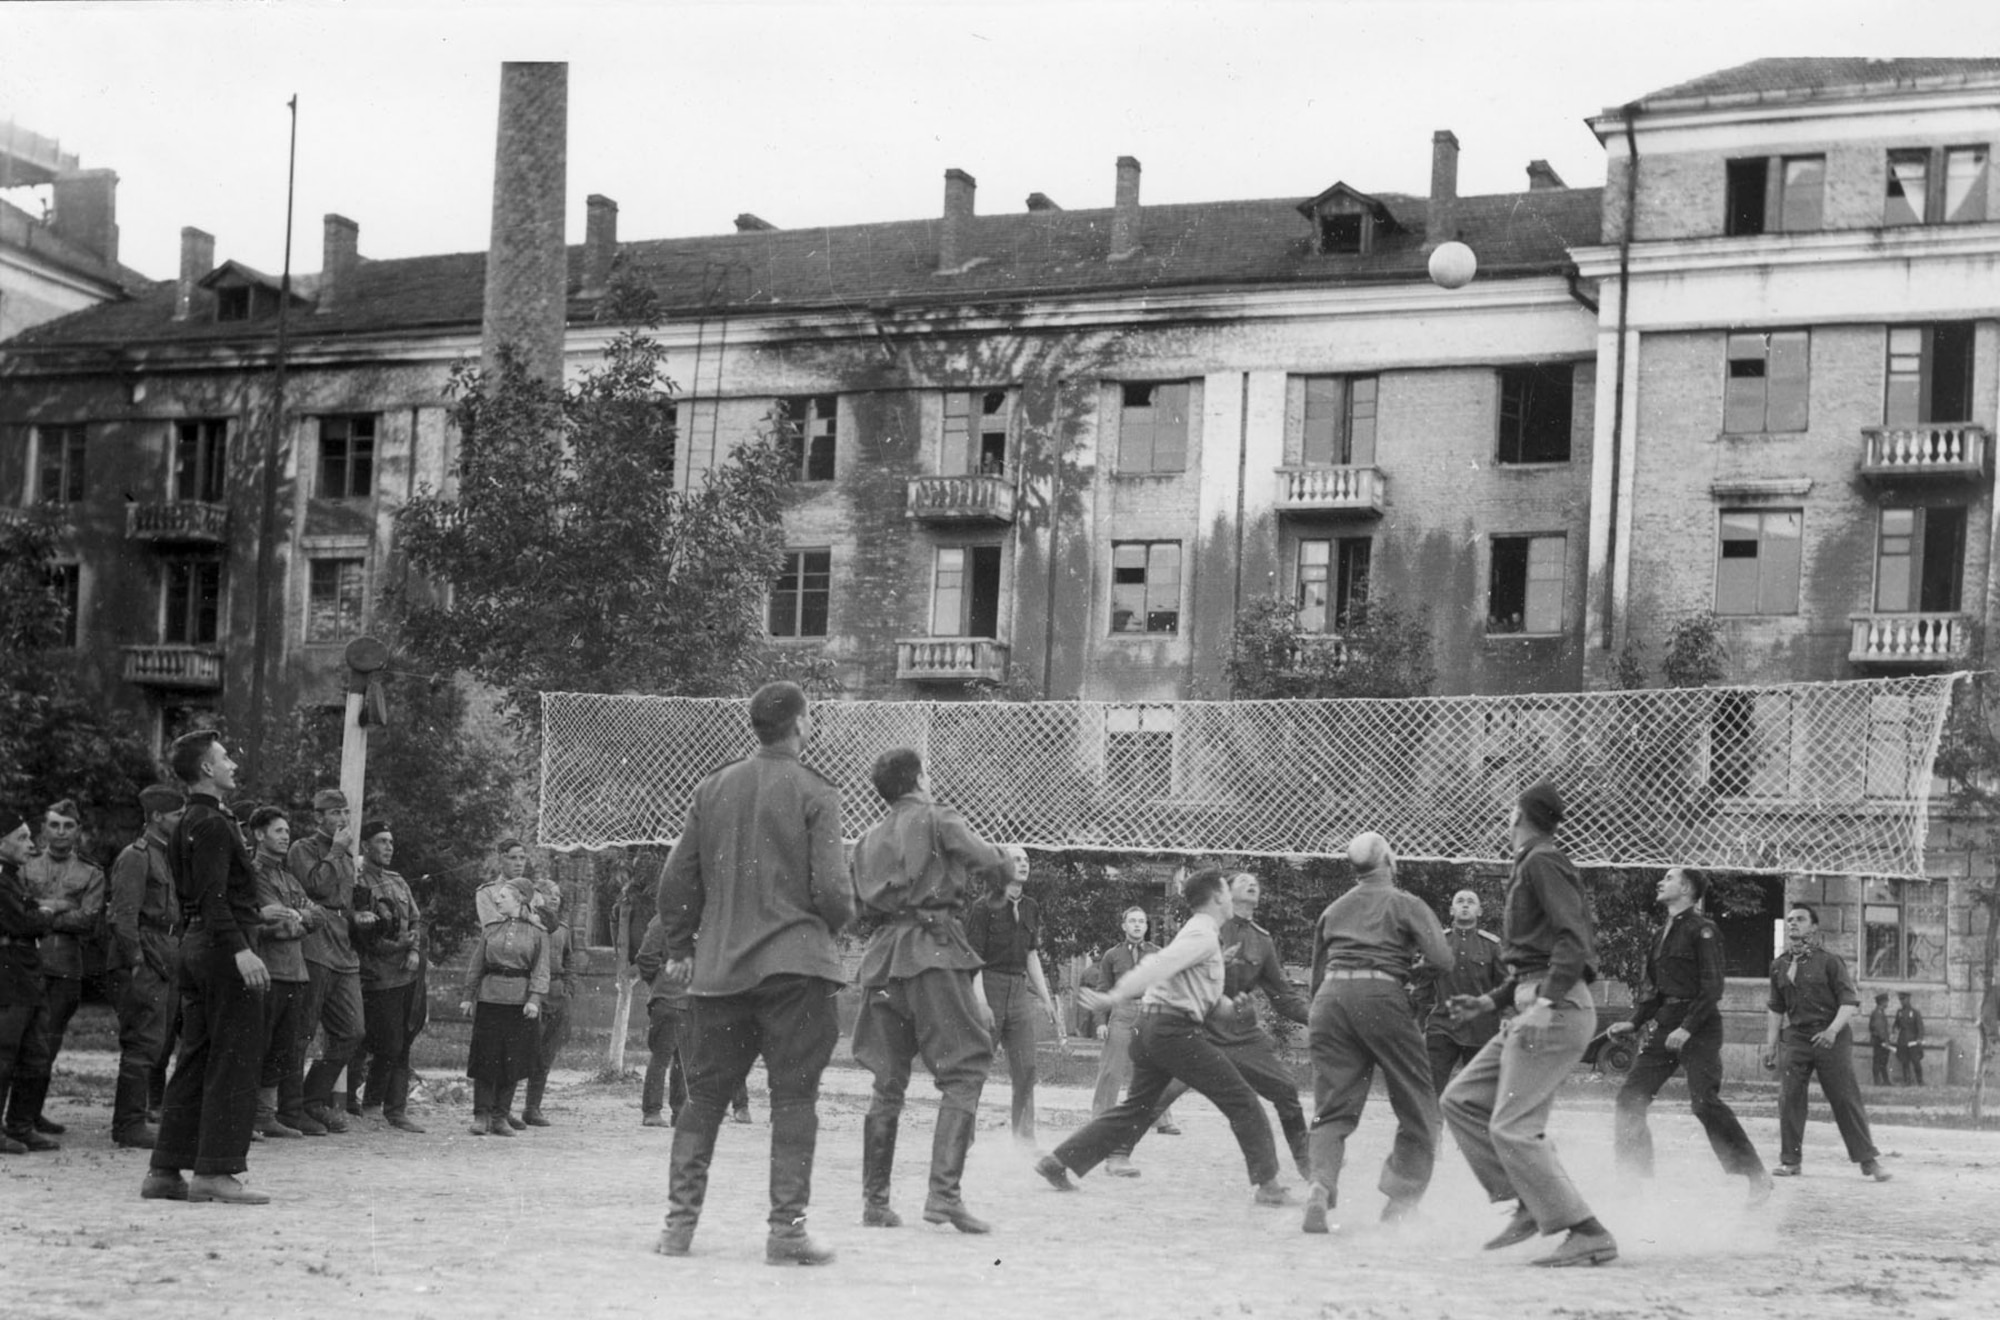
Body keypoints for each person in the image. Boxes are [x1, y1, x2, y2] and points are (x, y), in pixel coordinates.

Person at [654, 682, 855, 1266]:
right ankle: (786, 1234)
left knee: (703, 1101)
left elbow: (675, 881)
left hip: (719, 974)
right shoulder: (817, 791)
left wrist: (681, 944)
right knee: (795, 1100)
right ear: (799, 724)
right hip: (797, 972)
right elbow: (832, 891)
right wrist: (840, 922)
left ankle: (677, 1229)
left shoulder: (711, 787)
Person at [1034, 866, 1292, 1206]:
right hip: (1172, 1031)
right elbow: (1157, 966)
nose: (1231, 897)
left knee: (1134, 1109)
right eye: (1227, 893)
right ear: (1217, 897)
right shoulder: (1201, 934)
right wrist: (1114, 996)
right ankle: (1269, 1185)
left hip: (1155, 1028)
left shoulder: (1204, 934)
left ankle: (1058, 1161)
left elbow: (1206, 1001)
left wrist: (1234, 1007)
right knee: (1243, 1100)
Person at [1440, 782, 1618, 1268]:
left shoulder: (1542, 860)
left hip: (1554, 1009)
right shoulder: (1532, 862)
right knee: (1460, 1100)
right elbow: (1529, 963)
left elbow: (1573, 940)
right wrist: (1487, 1000)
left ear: (1517, 815)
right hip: (1534, 1001)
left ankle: (1587, 1231)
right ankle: (1527, 1202)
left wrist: (1544, 1003)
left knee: (1513, 1126)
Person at [850, 746, 1008, 1234]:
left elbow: (857, 908)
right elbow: (987, 859)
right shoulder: (939, 816)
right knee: (964, 1070)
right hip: (934, 953)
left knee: (886, 1083)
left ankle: (875, 1203)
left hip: (882, 961)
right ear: (919, 778)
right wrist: (999, 876)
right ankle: (943, 1196)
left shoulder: (865, 839)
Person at [143, 731, 273, 1205]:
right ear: (205, 770)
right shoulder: (215, 824)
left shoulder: (189, 821)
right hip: (223, 948)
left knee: (195, 1059)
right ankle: (215, 1172)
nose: (233, 764)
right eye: (225, 758)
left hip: (197, 945)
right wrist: (242, 950)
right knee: (233, 1059)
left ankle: (164, 1170)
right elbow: (215, 897)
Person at [1300, 833, 1454, 1233]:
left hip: (1330, 1001)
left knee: (1331, 1110)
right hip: (1381, 995)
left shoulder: (1333, 910)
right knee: (1420, 1103)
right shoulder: (1405, 903)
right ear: (1389, 859)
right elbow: (1443, 958)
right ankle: (1401, 1201)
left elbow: (1317, 980)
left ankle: (1319, 1186)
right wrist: (1411, 974)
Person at [1130, 870, 1313, 1181]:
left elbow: (1283, 997)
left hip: (1241, 1034)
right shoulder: (1206, 928)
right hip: (1198, 1029)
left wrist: (1318, 1018)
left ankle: (1308, 1165)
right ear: (1225, 892)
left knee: (1285, 1090)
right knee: (1159, 1095)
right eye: (1242, 880)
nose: (1252, 882)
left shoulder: (1262, 941)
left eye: (1256, 880)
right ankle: (1118, 1150)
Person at [1607, 867, 1770, 1204]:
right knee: (1629, 1099)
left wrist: (1688, 1027)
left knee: (1704, 1103)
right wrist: (1634, 1022)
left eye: (1668, 878)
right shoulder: (1660, 933)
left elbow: (1712, 987)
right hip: (1668, 1024)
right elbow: (1653, 990)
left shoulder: (1704, 930)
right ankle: (1633, 1180)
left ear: (1686, 888)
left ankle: (1755, 1175)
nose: (1660, 882)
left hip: (1699, 1025)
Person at [1764, 902, 1890, 1182]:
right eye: (1790, 920)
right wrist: (1771, 1045)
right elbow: (1775, 1007)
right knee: (1789, 1098)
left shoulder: (1830, 961)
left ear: (1814, 927)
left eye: (1800, 919)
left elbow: (1849, 1002)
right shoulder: (1779, 965)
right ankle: (1790, 1161)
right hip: (1796, 1037)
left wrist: (1832, 1031)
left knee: (1844, 1097)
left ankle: (1868, 1161)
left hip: (1831, 1036)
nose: (1793, 924)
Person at [286, 788, 375, 1135]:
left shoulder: (347, 855)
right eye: (334, 813)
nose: (342, 819)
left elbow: (345, 900)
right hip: (314, 944)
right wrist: (336, 852)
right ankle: (292, 1110)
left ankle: (311, 1098)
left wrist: (361, 916)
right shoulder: (302, 849)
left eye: (345, 812)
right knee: (302, 1032)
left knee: (353, 1031)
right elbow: (314, 888)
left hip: (343, 945)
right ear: (318, 818)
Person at [965, 843, 1064, 1144]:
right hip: (988, 986)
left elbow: (1032, 955)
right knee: (976, 1066)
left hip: (1019, 991)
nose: (1023, 864)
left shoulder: (1032, 907)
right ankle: (961, 1137)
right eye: (1016, 859)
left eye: (1026, 860)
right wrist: (980, 1003)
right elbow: (973, 961)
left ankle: (1024, 1140)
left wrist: (1046, 1000)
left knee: (1026, 1067)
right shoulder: (983, 907)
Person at [106, 785, 185, 1150]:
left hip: (166, 954)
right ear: (156, 817)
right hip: (145, 956)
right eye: (176, 815)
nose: (181, 821)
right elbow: (124, 917)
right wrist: (137, 963)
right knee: (141, 1043)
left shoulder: (167, 855)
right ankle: (129, 1124)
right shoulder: (136, 857)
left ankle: (136, 1119)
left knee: (156, 1042)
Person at [22, 797, 105, 1140]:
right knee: (15, 1040)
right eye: (54, 825)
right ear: (43, 829)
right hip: (26, 966)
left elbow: (88, 919)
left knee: (48, 1043)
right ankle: (19, 1116)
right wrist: (61, 907)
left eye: (68, 826)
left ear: (78, 831)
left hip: (66, 968)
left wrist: (42, 910)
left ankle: (31, 1113)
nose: (60, 832)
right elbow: (16, 912)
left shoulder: (91, 872)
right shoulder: (24, 868)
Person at [245, 807, 319, 1142]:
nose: (286, 836)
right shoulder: (254, 874)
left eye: (287, 830)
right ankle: (246, 1118)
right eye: (278, 831)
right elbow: (270, 924)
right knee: (256, 1045)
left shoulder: (288, 878)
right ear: (259, 835)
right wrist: (296, 922)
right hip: (267, 971)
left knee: (282, 1048)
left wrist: (296, 920)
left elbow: (317, 917)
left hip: (295, 972)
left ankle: (266, 1115)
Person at [459, 878, 548, 1136]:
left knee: (512, 1060)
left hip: (519, 1003)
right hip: (489, 999)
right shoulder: (491, 928)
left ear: (520, 899)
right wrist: (468, 995)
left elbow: (542, 969)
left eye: (503, 896)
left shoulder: (537, 932)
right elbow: (477, 964)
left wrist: (534, 999)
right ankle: (481, 1115)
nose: (497, 900)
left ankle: (500, 1117)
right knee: (485, 1058)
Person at [354, 820, 426, 1133]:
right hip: (377, 975)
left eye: (390, 842)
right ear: (365, 846)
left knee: (404, 1041)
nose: (388, 847)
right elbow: (364, 937)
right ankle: (369, 1103)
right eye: (381, 841)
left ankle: (396, 1110)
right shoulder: (358, 882)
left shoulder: (397, 881)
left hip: (406, 974)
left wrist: (413, 952)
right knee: (386, 1042)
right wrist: (400, 946)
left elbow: (416, 920)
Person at [1, 816, 59, 1156]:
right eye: (21, 838)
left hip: (26, 974)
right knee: (4, 1054)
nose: (31, 845)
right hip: (8, 976)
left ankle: (21, 1125)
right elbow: (24, 921)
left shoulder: (12, 879)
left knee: (35, 1054)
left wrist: (39, 916)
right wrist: (46, 915)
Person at [1089, 905, 1160, 1173]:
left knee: (1157, 1067)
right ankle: (1100, 1118)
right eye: (1132, 921)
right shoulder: (1112, 955)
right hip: (1121, 1011)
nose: (1138, 925)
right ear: (1123, 926)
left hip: (1151, 1011)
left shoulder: (1157, 953)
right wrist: (1099, 1023)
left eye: (1142, 921)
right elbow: (1102, 989)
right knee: (1111, 1069)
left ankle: (1162, 1119)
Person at [1414, 889, 1505, 1096]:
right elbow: (1423, 988)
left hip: (1482, 1030)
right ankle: (1427, 1128)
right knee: (1428, 1090)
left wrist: (1508, 1018)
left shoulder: (1492, 946)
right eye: (1460, 901)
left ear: (1479, 911)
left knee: (1479, 1096)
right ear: (1452, 910)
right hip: (1443, 1026)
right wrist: (1416, 1024)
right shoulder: (1437, 943)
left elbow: (1506, 988)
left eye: (1471, 902)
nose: (1465, 905)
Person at [521, 877, 576, 1127]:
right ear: (538, 895)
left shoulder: (563, 929)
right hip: (534, 994)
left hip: (557, 992)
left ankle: (532, 1108)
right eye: (550, 893)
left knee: (546, 1054)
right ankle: (501, 1109)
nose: (556, 898)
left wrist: (569, 988)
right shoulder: (528, 924)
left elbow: (569, 960)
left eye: (558, 894)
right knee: (524, 1051)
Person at [635, 912, 688, 1128]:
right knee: (662, 1057)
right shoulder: (663, 920)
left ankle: (680, 1112)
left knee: (685, 1059)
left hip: (693, 1000)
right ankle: (652, 1111)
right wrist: (661, 981)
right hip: (669, 998)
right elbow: (646, 956)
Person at [476, 838, 531, 929]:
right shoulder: (487, 892)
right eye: (513, 858)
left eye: (522, 858)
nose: (519, 863)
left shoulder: (535, 894)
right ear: (500, 862)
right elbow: (493, 929)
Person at [1894, 992, 1926, 1086]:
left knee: (1916, 1061)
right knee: (1905, 1062)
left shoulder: (1915, 1012)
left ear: (1908, 999)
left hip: (1913, 1041)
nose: (1902, 1002)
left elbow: (1920, 1027)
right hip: (1903, 1041)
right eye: (1901, 1000)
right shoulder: (1899, 1012)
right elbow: (1896, 1026)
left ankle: (1920, 1081)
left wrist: (1919, 1038)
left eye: (1904, 999)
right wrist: (1894, 1033)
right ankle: (1907, 1081)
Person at [1868, 993, 1894, 1086]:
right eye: (1886, 1001)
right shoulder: (1878, 1013)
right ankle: (1878, 1081)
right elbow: (1879, 1028)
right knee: (1879, 1061)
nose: (1887, 1003)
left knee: (1882, 1061)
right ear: (1882, 1002)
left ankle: (1884, 1081)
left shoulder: (1880, 1012)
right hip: (1880, 1041)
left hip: (1881, 1041)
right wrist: (1885, 1041)